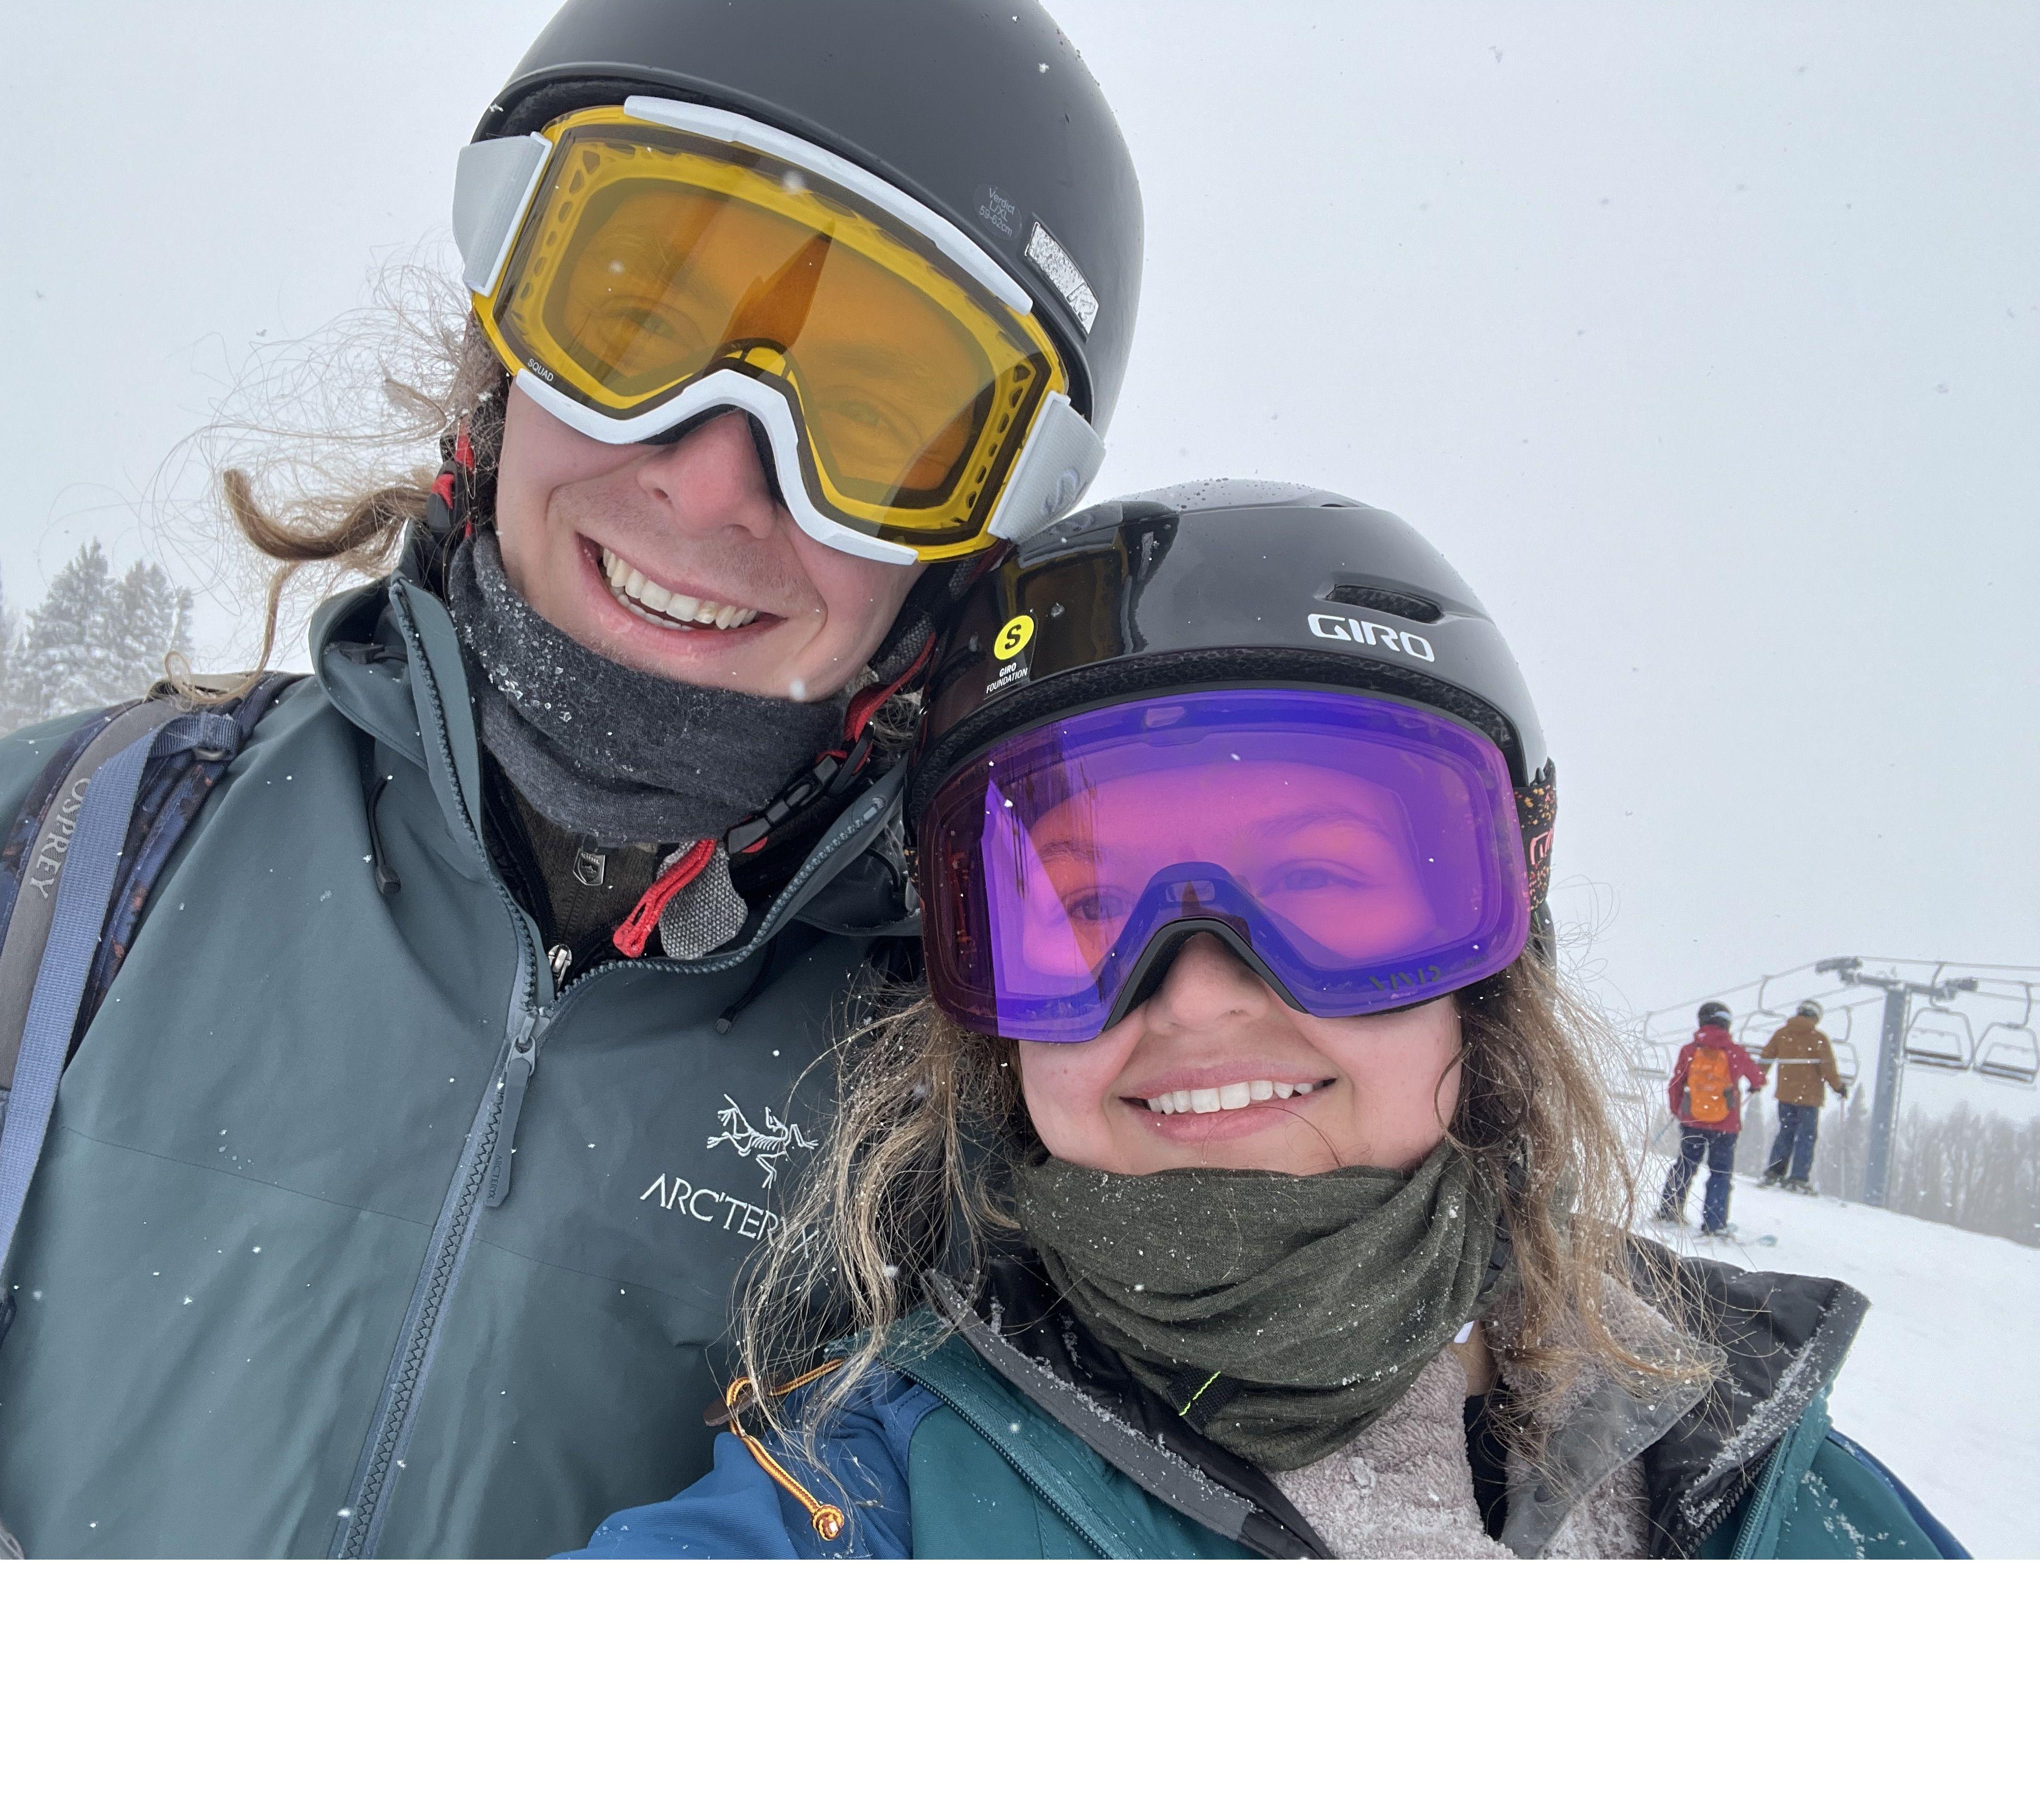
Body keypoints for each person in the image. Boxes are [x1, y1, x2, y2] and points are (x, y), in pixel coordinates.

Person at [0, 0, 1144, 1558]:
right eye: (638, 325)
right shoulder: (79, 856)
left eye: (867, 421)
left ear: (973, 533)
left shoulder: (978, 1073)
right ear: (502, 346)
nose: (713, 478)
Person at [560, 483, 1959, 1560]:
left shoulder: (1731, 1462)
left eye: (1323, 891)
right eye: (1087, 918)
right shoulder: (869, 1507)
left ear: (1489, 964)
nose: (1202, 992)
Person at [1658, 1002, 1767, 1237]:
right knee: (1720, 1173)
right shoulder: (1735, 1052)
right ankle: (1714, 1223)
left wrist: (1679, 1111)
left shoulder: (1690, 1050)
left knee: (1686, 1165)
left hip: (1693, 1121)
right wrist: (1755, 1085)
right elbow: (1758, 1078)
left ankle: (1669, 1210)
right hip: (1726, 1125)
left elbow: (1676, 1084)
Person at [1758, 1000, 1847, 1192]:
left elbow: (1766, 1057)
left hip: (1785, 1094)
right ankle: (1798, 1178)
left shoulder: (1782, 1034)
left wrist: (1757, 1079)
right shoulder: (1818, 1038)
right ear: (1816, 1017)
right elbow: (1828, 1068)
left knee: (1785, 1133)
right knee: (1806, 1138)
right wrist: (1838, 1087)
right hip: (1809, 1097)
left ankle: (1775, 1172)